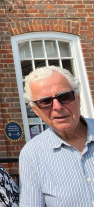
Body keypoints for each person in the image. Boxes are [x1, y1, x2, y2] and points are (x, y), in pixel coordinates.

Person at [19, 66, 94, 207]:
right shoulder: (32, 154)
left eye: (64, 96)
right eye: (45, 101)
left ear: (77, 97)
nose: (57, 107)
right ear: (35, 110)